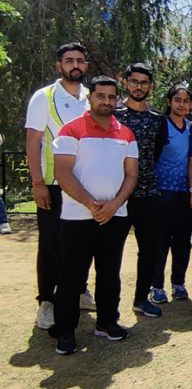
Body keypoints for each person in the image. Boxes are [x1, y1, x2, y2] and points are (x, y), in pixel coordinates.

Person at [50, 76, 138, 355]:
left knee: (110, 274)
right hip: (77, 217)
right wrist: (91, 204)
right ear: (91, 98)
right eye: (101, 96)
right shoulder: (70, 130)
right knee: (71, 277)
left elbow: (131, 174)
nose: (107, 102)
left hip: (116, 215)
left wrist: (113, 206)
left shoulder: (126, 133)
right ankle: (65, 331)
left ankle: (107, 322)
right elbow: (62, 173)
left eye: (112, 97)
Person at [25, 42, 95, 330]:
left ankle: (79, 290)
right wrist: (38, 182)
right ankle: (47, 302)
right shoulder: (44, 97)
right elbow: (33, 142)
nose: (74, 64)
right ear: (59, 66)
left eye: (79, 60)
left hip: (86, 185)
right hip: (54, 185)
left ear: (85, 66)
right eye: (69, 60)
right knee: (52, 244)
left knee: (83, 242)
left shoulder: (92, 98)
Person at [115, 63, 166, 318]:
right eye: (134, 81)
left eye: (144, 83)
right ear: (125, 82)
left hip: (148, 194)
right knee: (111, 251)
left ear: (151, 86)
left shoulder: (157, 118)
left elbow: (155, 152)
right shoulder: (113, 114)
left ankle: (140, 299)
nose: (139, 87)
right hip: (116, 196)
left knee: (149, 250)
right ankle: (108, 305)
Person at [150, 84, 192, 304]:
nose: (182, 104)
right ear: (169, 101)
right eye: (178, 100)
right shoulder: (160, 124)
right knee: (160, 240)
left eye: (186, 101)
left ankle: (178, 283)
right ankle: (156, 286)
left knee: (183, 240)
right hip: (162, 191)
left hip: (185, 192)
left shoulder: (191, 128)